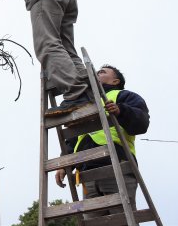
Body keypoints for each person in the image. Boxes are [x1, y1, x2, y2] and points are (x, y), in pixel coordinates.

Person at [55, 65, 150, 219]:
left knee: (121, 220)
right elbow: (73, 139)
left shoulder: (123, 95)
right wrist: (64, 164)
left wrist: (121, 110)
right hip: (87, 173)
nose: (96, 74)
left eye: (102, 72)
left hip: (116, 165)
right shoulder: (86, 103)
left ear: (115, 81)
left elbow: (142, 123)